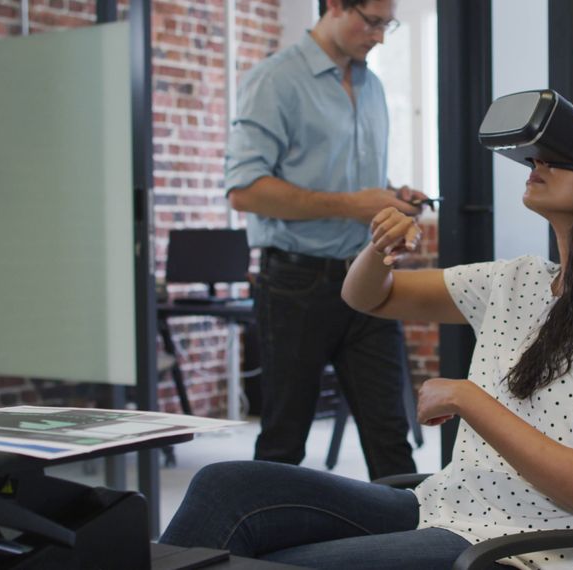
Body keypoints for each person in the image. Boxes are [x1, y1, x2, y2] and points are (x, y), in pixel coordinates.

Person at [163, 106, 573, 570]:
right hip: (439, 507)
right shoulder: (518, 280)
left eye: (561, 155)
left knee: (269, 564)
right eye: (538, 152)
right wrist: (378, 251)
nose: (538, 162)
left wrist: (468, 398)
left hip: (515, 550)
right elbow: (368, 297)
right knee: (225, 486)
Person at [225, 0, 423, 478]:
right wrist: (352, 204)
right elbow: (244, 191)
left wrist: (392, 195)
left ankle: (412, 550)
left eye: (387, 25)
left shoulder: (372, 86)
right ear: (334, 4)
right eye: (372, 21)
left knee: (390, 438)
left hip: (369, 278)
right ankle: (265, 552)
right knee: (284, 438)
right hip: (296, 282)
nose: (379, 36)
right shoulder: (275, 81)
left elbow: (350, 178)